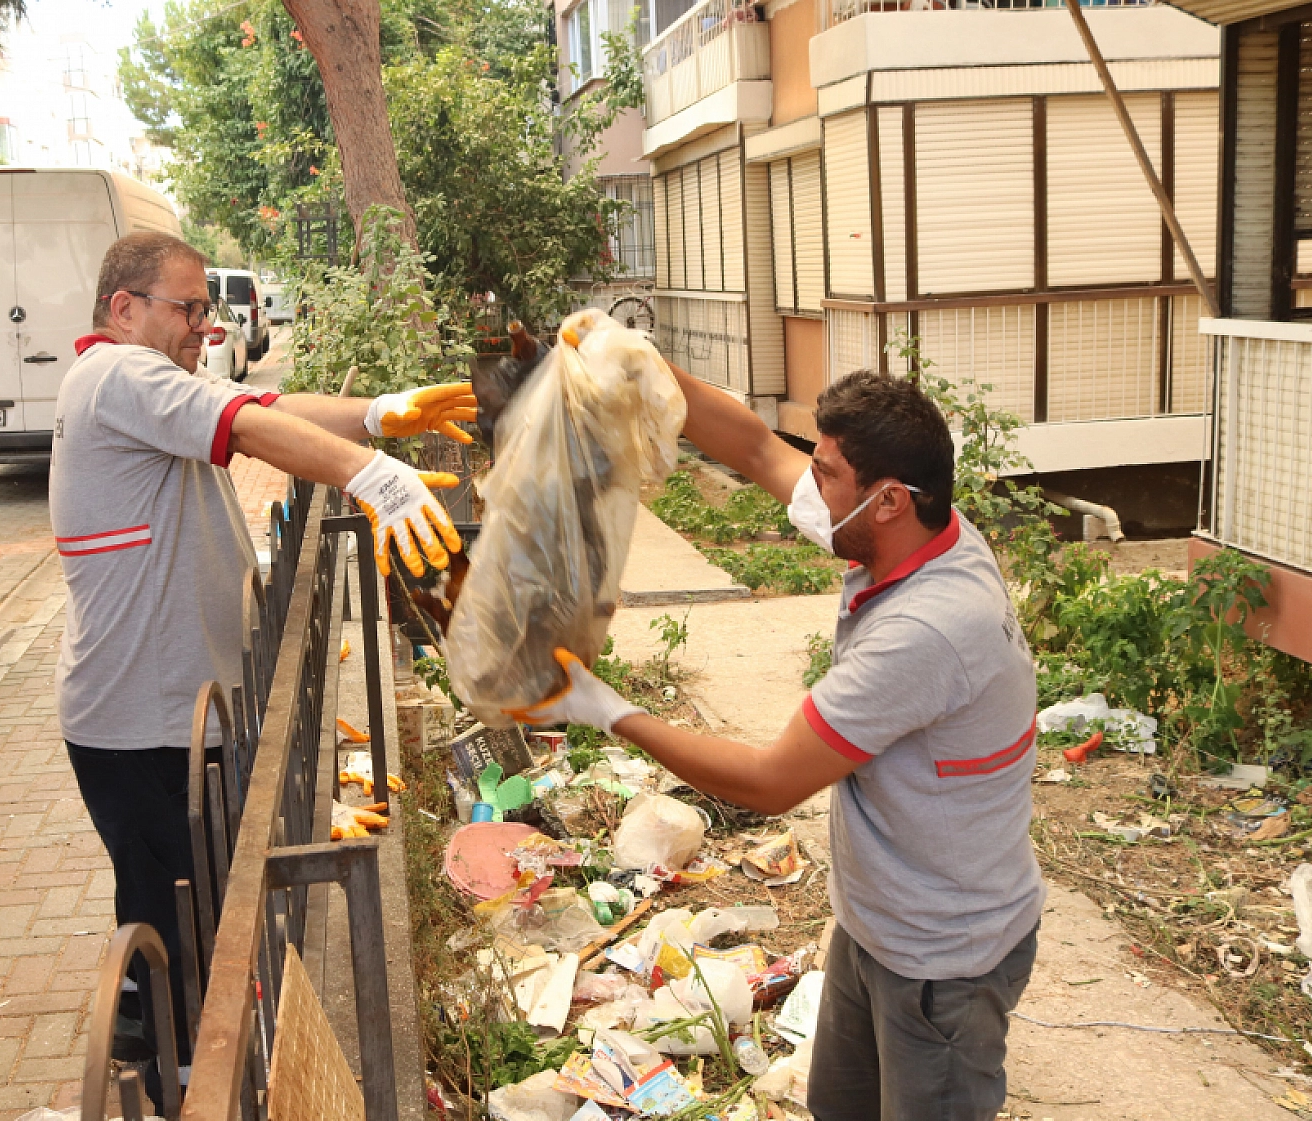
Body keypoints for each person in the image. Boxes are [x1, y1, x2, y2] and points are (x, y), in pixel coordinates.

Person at [514, 368, 1042, 1121]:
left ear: (888, 499)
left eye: (827, 474)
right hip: (878, 928)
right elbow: (759, 449)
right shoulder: (924, 532)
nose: (812, 485)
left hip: (941, 963)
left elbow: (769, 781)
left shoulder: (924, 630)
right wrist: (646, 370)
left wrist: (602, 707)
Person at [50, 231, 471, 1088]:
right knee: (177, 948)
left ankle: (175, 1063)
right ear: (123, 308)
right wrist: (372, 474)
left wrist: (379, 413)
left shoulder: (139, 380)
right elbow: (246, 428)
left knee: (184, 929)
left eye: (208, 311)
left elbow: (256, 403)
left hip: (158, 715)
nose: (203, 328)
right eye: (188, 308)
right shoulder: (117, 376)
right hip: (144, 725)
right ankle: (175, 1085)